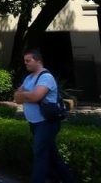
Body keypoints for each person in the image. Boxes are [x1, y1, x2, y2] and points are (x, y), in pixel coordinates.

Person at [13, 49, 75, 183]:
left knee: (39, 153)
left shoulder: (46, 77)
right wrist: (27, 95)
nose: (25, 63)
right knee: (51, 155)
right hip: (34, 122)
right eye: (25, 61)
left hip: (46, 122)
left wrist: (24, 95)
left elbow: (35, 96)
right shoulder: (28, 78)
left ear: (38, 61)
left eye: (28, 60)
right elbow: (16, 98)